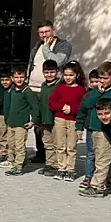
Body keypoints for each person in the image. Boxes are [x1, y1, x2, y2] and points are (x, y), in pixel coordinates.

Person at [28, 21, 74, 162]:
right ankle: (41, 153)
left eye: (47, 31)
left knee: (51, 122)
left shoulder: (63, 45)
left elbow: (57, 61)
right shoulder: (37, 46)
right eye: (41, 32)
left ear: (53, 30)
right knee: (37, 122)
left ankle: (54, 157)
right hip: (34, 88)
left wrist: (47, 48)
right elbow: (32, 64)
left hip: (52, 89)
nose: (44, 35)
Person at [79, 62, 111, 197]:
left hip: (105, 131)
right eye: (100, 78)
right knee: (102, 158)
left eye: (105, 78)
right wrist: (98, 93)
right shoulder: (97, 90)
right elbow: (86, 104)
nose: (102, 81)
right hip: (93, 129)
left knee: (102, 160)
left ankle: (97, 187)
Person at [48, 61, 86, 182]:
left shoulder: (80, 90)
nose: (68, 78)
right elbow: (52, 102)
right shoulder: (60, 88)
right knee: (60, 145)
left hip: (73, 121)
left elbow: (82, 106)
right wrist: (62, 106)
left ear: (76, 75)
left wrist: (72, 109)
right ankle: (61, 168)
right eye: (66, 75)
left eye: (71, 75)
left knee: (71, 147)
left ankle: (70, 169)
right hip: (60, 119)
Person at [1, 69, 39, 176]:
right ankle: (14, 161)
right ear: (12, 78)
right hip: (11, 123)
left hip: (21, 125)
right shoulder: (11, 90)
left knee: (19, 146)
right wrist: (7, 119)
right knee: (11, 145)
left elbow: (34, 107)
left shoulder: (27, 91)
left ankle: (18, 167)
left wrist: (33, 121)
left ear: (25, 78)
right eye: (16, 77)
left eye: (21, 77)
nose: (19, 80)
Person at [75, 68, 100, 188]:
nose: (95, 84)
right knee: (91, 153)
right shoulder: (88, 95)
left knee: (102, 155)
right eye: (93, 82)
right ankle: (88, 177)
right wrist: (79, 128)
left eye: (97, 81)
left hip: (103, 130)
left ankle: (103, 177)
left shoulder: (106, 94)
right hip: (90, 128)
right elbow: (82, 112)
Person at [37, 60, 62, 178]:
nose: (49, 75)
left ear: (57, 72)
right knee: (47, 143)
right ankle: (50, 163)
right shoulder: (43, 85)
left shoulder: (60, 84)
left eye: (52, 72)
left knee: (58, 143)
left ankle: (58, 165)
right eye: (46, 72)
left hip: (56, 119)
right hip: (45, 119)